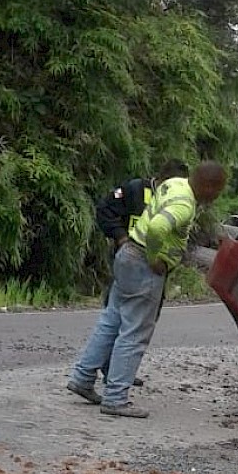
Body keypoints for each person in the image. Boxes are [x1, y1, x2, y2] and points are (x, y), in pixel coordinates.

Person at [66, 161, 228, 418]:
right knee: (134, 332)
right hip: (144, 263)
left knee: (111, 320)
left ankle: (83, 378)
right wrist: (155, 257)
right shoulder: (184, 204)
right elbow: (157, 227)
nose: (217, 196)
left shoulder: (174, 184)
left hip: (127, 254)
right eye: (218, 191)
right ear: (208, 187)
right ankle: (116, 398)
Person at [95, 159, 189, 385]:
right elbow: (104, 209)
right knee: (119, 319)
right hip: (131, 259)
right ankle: (110, 372)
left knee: (139, 321)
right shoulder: (135, 189)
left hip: (155, 268)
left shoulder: (175, 199)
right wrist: (120, 237)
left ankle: (117, 371)